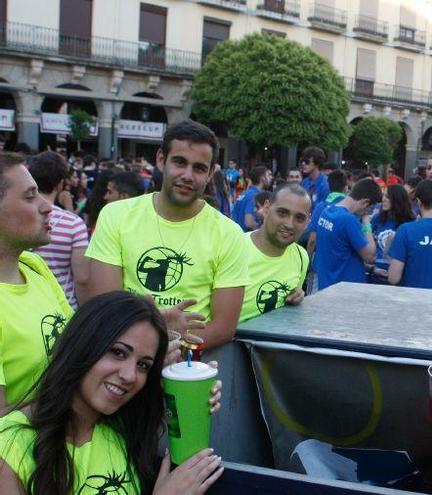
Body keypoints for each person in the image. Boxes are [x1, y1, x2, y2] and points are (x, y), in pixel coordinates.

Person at [0, 291, 223, 495]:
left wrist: (192, 395)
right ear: (83, 345)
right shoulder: (10, 445)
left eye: (143, 365)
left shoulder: (122, 427)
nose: (129, 375)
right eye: (117, 352)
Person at [85, 120, 249, 352]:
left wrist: (170, 350)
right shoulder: (116, 215)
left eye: (199, 168)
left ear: (211, 173)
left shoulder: (229, 233)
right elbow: (105, 307)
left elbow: (223, 327)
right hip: (122, 358)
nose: (187, 175)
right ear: (161, 160)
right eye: (179, 162)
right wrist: (155, 342)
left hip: (189, 369)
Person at [0, 152, 74, 410]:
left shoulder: (34, 265)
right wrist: (77, 400)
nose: (47, 206)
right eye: (30, 196)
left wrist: (142, 325)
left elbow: (76, 342)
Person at [240, 184, 311, 322]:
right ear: (266, 208)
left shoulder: (301, 256)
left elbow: (292, 295)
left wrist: (296, 297)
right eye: (282, 213)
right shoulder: (234, 248)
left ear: (308, 221)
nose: (289, 224)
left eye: (299, 218)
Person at [29, 151, 91, 309]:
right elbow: (82, 278)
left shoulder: (17, 217)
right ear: (61, 183)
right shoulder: (74, 224)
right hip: (63, 307)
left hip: (26, 305)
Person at [313, 177, 383, 290]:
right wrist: (366, 223)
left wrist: (371, 269)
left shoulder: (326, 212)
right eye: (369, 209)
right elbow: (370, 256)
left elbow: (339, 254)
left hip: (327, 284)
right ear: (365, 202)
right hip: (346, 290)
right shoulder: (348, 220)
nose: (367, 212)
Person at [306, 169, 347, 256]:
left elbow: (312, 240)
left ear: (328, 186)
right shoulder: (350, 209)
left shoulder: (320, 207)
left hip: (320, 264)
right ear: (346, 187)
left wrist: (307, 263)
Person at [370, 184, 415, 261]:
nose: (383, 199)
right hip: (377, 266)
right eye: (383, 195)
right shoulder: (377, 218)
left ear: (397, 199)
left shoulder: (410, 222)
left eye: (387, 197)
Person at [231, 165, 271, 232]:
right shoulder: (254, 195)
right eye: (268, 175)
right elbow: (249, 222)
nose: (271, 177)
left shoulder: (245, 193)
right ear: (262, 178)